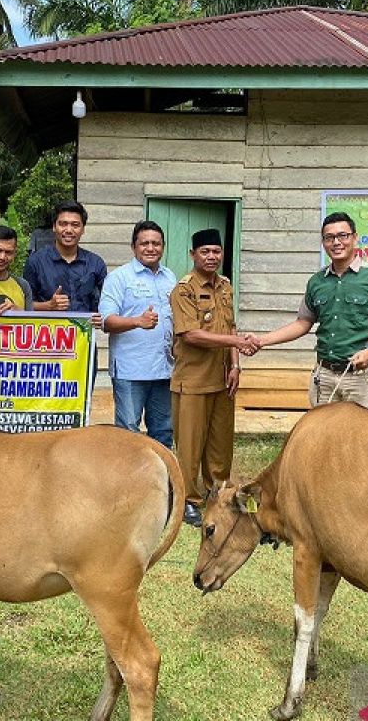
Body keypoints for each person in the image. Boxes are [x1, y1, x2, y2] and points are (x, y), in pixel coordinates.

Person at [250, 212, 368, 409]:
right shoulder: (317, 281)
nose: (336, 242)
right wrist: (262, 341)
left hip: (361, 377)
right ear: (323, 243)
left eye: (343, 236)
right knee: (323, 437)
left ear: (355, 238)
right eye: (329, 237)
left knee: (360, 437)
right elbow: (303, 322)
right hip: (324, 375)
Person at [170, 229, 254, 527]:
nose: (211, 257)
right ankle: (188, 501)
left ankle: (218, 492)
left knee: (221, 443)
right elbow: (191, 334)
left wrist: (235, 365)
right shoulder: (184, 290)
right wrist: (236, 344)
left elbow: (230, 326)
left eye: (216, 252)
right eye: (204, 251)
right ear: (192, 254)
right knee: (190, 446)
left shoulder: (225, 287)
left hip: (222, 379)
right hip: (192, 380)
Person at [99, 221, 176, 448]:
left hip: (163, 369)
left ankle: (162, 481)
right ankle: (126, 484)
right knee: (127, 434)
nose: (150, 248)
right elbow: (106, 320)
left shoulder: (170, 278)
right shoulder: (119, 278)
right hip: (130, 371)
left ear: (163, 247)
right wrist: (137, 322)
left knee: (163, 431)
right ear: (134, 247)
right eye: (144, 243)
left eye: (156, 243)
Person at [22, 201, 107, 325]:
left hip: (84, 340)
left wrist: (102, 317)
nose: (68, 230)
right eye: (63, 224)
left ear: (83, 229)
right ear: (54, 226)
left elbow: (107, 304)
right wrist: (49, 306)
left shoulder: (95, 263)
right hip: (47, 339)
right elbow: (24, 305)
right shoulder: (36, 261)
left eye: (75, 225)